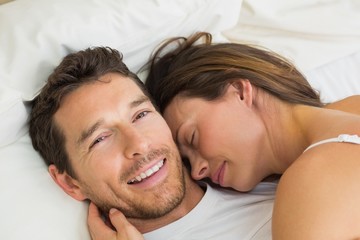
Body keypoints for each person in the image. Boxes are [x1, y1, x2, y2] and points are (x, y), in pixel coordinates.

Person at [28, 46, 277, 240]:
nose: (139, 144)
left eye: (141, 115)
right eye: (100, 138)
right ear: (70, 183)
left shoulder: (267, 178)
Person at [144, 32, 360, 239]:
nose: (197, 172)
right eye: (188, 162)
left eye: (192, 138)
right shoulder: (352, 105)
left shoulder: (310, 183)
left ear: (239, 90)